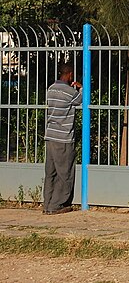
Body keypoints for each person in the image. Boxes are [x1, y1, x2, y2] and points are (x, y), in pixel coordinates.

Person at [43, 61, 82, 215]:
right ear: (70, 74)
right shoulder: (69, 92)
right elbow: (81, 100)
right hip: (63, 137)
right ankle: (57, 204)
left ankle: (47, 204)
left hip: (50, 135)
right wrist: (80, 87)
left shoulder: (50, 89)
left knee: (50, 172)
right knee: (64, 172)